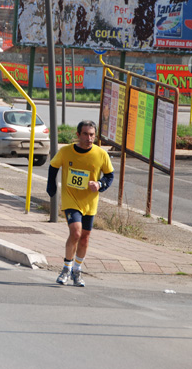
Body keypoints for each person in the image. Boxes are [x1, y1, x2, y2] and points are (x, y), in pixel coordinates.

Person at [46, 120, 114, 287]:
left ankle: (77, 270)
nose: (89, 138)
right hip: (71, 199)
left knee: (84, 238)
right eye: (85, 134)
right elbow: (53, 166)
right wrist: (51, 186)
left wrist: (99, 184)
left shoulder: (101, 154)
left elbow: (110, 176)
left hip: (90, 202)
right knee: (75, 233)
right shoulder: (66, 151)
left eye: (92, 135)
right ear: (78, 135)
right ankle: (66, 268)